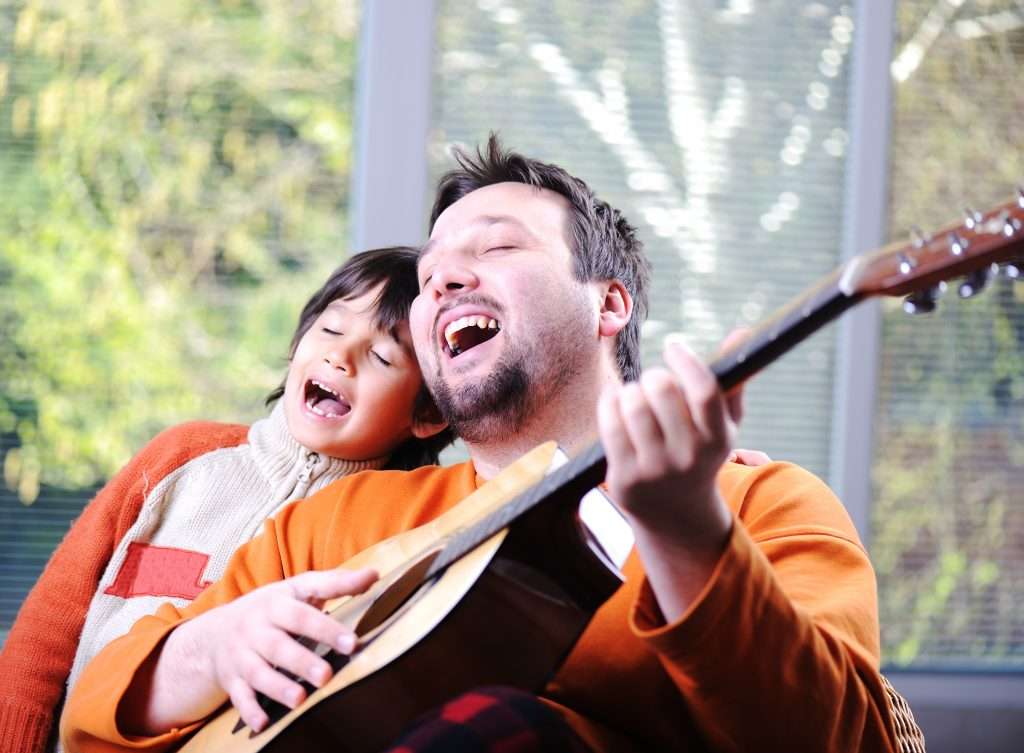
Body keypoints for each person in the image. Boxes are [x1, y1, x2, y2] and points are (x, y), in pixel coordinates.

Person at [61, 137, 899, 753]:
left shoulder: (759, 505)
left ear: (610, 305)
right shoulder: (337, 522)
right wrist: (212, 646)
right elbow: (89, 717)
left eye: (496, 246)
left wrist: (686, 530)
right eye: (429, 278)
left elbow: (837, 740)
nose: (444, 281)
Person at [0, 247, 453, 753]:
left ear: (429, 414)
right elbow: (48, 627)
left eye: (382, 356)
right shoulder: (181, 456)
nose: (339, 356)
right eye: (331, 328)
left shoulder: (383, 532)